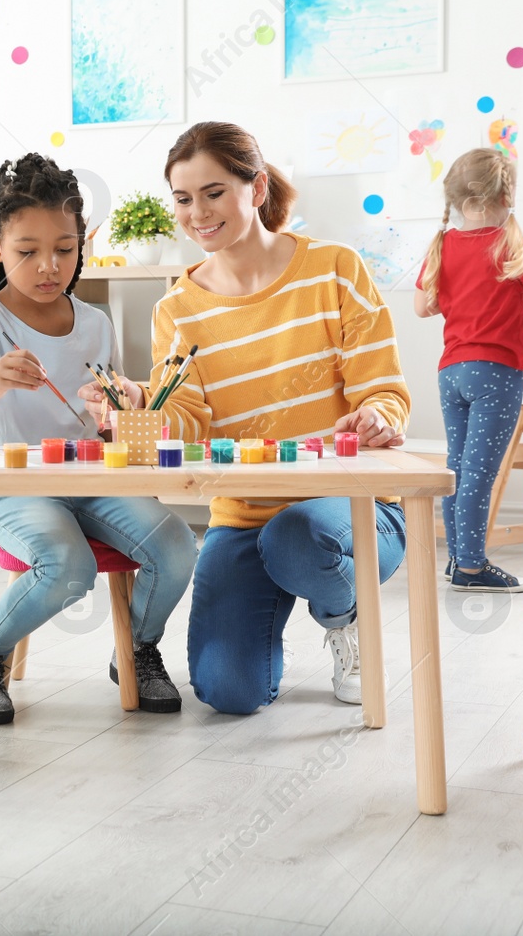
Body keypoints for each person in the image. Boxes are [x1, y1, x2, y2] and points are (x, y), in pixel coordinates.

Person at [82, 122, 410, 712]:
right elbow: (181, 427)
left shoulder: (334, 269)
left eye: (213, 193)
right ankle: (271, 609)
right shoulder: (177, 309)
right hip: (242, 514)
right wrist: (133, 411)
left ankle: (344, 613)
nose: (197, 213)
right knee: (227, 691)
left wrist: (376, 418)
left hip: (352, 507)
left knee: (298, 539)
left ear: (256, 189)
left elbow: (382, 390)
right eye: (183, 199)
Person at [0, 152, 197, 725]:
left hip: (94, 479)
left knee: (175, 545)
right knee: (67, 564)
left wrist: (117, 405)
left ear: (83, 245)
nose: (49, 266)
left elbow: (112, 420)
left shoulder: (96, 323)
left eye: (65, 249)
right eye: (27, 252)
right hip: (14, 488)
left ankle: (138, 652)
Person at [413, 148, 523, 591]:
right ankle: (472, 567)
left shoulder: (442, 244)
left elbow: (423, 307)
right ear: (505, 196)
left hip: (451, 373)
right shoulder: (511, 243)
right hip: (495, 373)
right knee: (478, 474)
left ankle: (458, 561)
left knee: (457, 468)